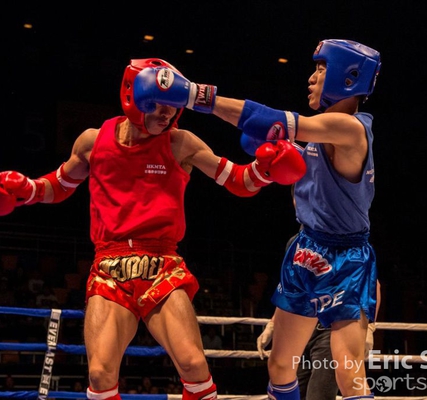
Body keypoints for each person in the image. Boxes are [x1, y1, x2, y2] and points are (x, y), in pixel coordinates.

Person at [0, 58, 306, 400]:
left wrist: (265, 170)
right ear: (133, 98)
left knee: (194, 364)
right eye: (159, 104)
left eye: (173, 106)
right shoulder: (92, 141)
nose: (167, 114)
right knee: (100, 373)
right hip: (109, 267)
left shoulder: (181, 142)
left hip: (162, 265)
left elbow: (238, 181)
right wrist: (26, 190)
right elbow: (60, 185)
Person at [132, 39, 382, 399]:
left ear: (347, 76)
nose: (312, 78)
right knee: (280, 367)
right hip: (307, 247)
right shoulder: (319, 135)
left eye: (321, 69)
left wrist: (193, 95)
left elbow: (270, 120)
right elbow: (297, 167)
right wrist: (281, 155)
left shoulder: (350, 129)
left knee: (348, 373)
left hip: (346, 259)